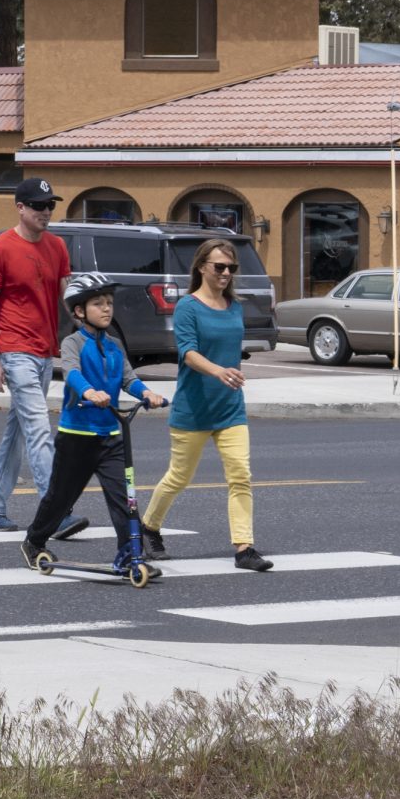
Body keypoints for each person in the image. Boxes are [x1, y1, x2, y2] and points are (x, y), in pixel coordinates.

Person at [141, 237, 269, 571]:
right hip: (194, 408)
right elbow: (188, 352)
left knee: (241, 475)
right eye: (219, 267)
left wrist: (229, 375)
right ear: (201, 267)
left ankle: (244, 548)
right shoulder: (188, 306)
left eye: (231, 267)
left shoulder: (235, 306)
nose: (226, 273)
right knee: (179, 478)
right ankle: (148, 526)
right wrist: (218, 371)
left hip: (230, 407)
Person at [22, 273, 166, 568]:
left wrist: (147, 392)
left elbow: (128, 378)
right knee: (60, 498)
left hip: (111, 434)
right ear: (79, 311)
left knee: (124, 496)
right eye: (98, 303)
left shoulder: (114, 345)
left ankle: (130, 553)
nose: (106, 309)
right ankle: (34, 541)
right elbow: (72, 372)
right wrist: (89, 390)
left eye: (109, 303)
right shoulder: (73, 342)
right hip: (76, 435)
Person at [0, 176, 83, 538]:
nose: (46, 211)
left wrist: (90, 334)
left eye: (50, 205)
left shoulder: (57, 247)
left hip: (44, 352)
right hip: (14, 349)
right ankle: (56, 512)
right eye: (38, 205)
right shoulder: (0, 248)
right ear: (20, 207)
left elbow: (69, 299)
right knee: (38, 428)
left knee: (18, 432)